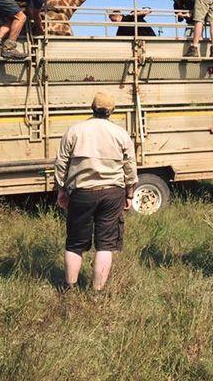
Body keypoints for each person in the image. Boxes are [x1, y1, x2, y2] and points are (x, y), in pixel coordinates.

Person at [54, 91, 137, 291]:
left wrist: (61, 190)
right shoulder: (120, 133)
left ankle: (69, 288)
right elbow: (130, 166)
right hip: (112, 193)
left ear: (92, 108)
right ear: (111, 111)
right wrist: (130, 193)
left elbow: (61, 163)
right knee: (106, 244)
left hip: (81, 193)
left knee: (74, 243)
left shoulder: (74, 130)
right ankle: (97, 292)